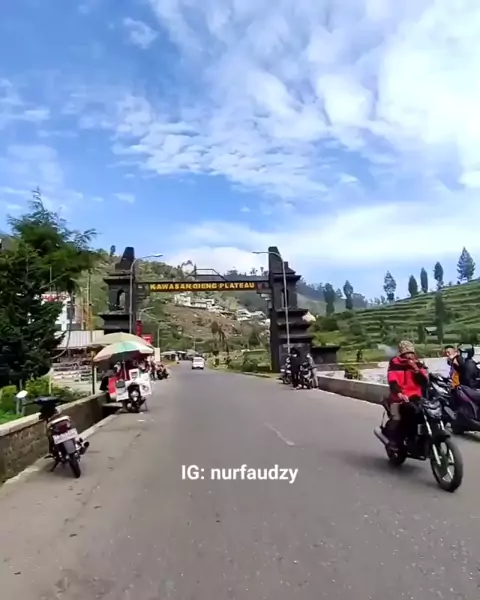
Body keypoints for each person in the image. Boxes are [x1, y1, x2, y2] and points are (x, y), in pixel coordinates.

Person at [386, 340, 429, 449]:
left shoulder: (418, 365)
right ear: (402, 354)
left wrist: (416, 370)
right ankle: (396, 441)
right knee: (401, 418)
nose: (409, 356)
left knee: (424, 415)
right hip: (399, 398)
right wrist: (399, 393)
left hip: (415, 397)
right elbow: (392, 382)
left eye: (411, 353)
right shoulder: (395, 364)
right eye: (407, 353)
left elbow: (424, 382)